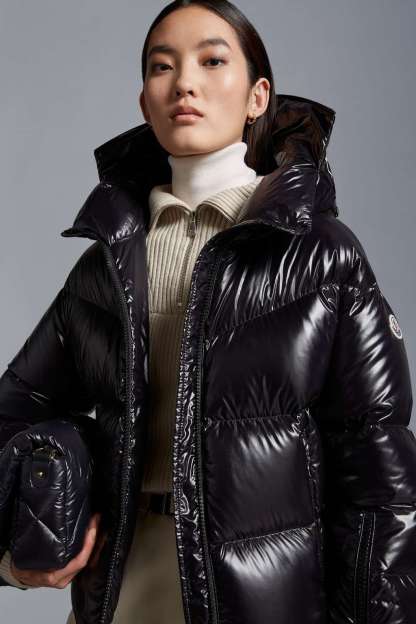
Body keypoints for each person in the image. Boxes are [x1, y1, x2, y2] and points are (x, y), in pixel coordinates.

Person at [1, 1, 415, 623]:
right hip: (119, 594)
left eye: (213, 61)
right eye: (161, 66)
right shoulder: (105, 267)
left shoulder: (322, 256)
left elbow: (379, 472)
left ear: (258, 97)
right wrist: (16, 554)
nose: (184, 84)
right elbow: (12, 413)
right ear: (145, 103)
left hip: (267, 602)